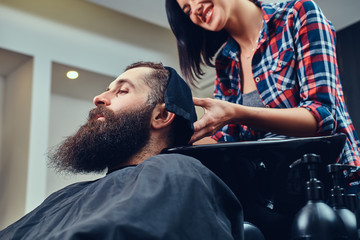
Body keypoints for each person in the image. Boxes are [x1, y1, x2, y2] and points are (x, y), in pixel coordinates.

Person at [0, 62, 244, 240]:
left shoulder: (177, 172)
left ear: (161, 115)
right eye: (107, 89)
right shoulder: (70, 194)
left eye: (122, 91)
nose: (98, 98)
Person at [165, 0, 360, 189]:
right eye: (187, 10)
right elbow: (225, 138)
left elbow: (323, 118)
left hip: (331, 183)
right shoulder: (225, 62)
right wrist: (174, 138)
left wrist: (235, 112)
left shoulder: (298, 13)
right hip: (274, 191)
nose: (195, 9)